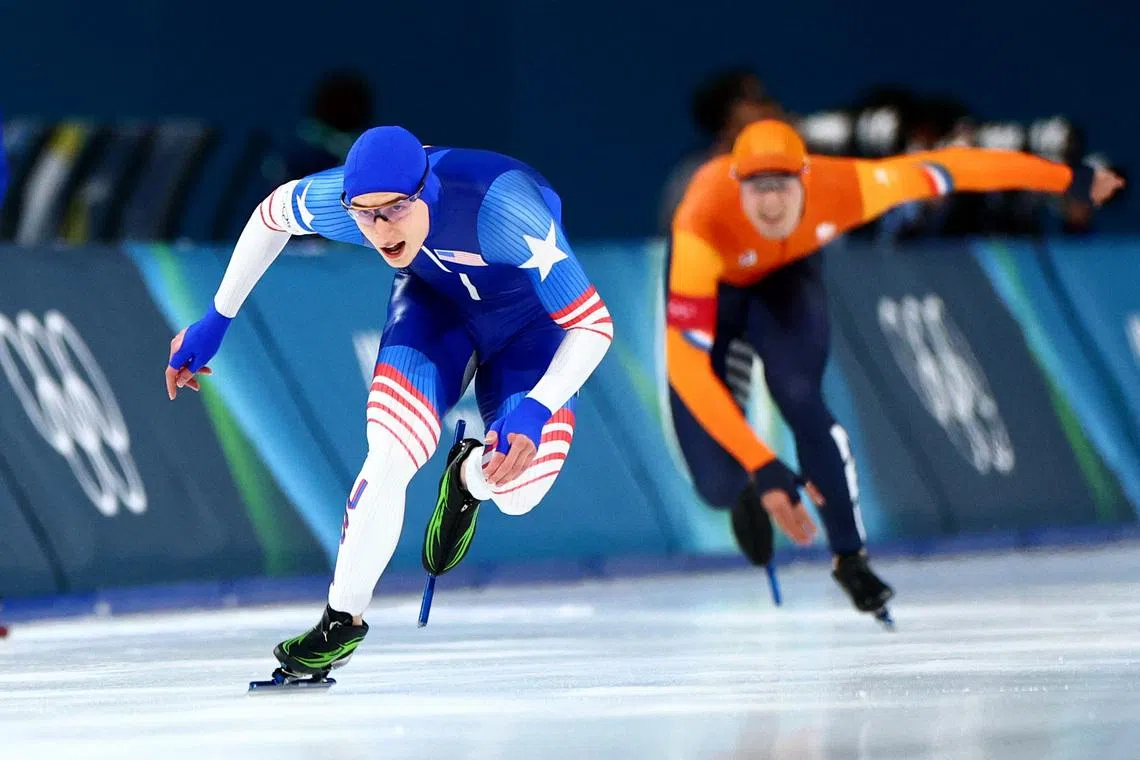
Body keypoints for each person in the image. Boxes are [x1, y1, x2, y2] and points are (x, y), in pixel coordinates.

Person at [164, 126, 613, 678]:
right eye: (365, 215)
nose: (381, 230)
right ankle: (340, 621)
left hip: (533, 328)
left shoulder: (504, 209)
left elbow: (592, 325)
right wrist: (215, 321)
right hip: (435, 309)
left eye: (397, 210)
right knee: (390, 448)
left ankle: (467, 478)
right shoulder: (341, 201)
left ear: (424, 191)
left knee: (519, 492)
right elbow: (270, 216)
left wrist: (538, 407)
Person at [666, 119, 1125, 618]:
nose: (772, 204)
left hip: (785, 284)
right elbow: (687, 366)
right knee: (715, 485)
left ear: (807, 178)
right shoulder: (701, 220)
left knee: (800, 396)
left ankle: (849, 558)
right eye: (758, 190)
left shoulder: (848, 187)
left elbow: (964, 167)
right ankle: (747, 483)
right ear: (737, 186)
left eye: (782, 187)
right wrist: (762, 462)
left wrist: (1069, 180)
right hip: (718, 294)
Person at [658, 69, 781, 233]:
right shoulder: (692, 177)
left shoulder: (789, 172)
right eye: (756, 101)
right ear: (726, 114)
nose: (769, 109)